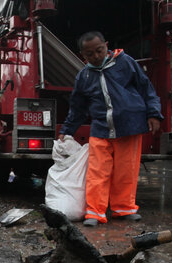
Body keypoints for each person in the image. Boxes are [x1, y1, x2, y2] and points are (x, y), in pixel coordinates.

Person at [58, 31, 163, 227]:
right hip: (100, 129)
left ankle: (124, 209)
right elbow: (77, 108)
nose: (96, 56)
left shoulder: (126, 63)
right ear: (83, 55)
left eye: (99, 50)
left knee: (126, 171)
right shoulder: (84, 76)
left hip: (130, 126)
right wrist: (67, 130)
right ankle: (95, 213)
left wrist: (154, 114)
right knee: (97, 172)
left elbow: (146, 89)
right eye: (90, 54)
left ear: (106, 46)